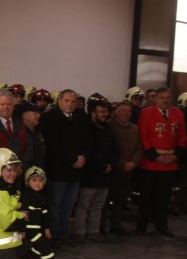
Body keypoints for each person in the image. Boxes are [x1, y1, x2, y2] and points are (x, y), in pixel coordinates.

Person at [40, 89, 90, 248]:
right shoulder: (50, 118)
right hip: (58, 170)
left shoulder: (80, 119)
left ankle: (62, 233)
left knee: (69, 205)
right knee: (55, 205)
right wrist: (73, 159)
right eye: (67, 101)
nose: (70, 104)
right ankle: (53, 234)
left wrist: (82, 158)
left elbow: (87, 141)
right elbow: (53, 143)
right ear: (59, 101)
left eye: (73, 101)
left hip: (76, 171)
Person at [136, 87, 187, 237]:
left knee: (164, 197)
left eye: (167, 97)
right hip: (150, 162)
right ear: (156, 99)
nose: (165, 100)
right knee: (146, 196)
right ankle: (141, 226)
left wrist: (176, 155)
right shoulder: (146, 113)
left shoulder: (178, 113)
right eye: (162, 97)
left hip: (171, 162)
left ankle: (162, 226)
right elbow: (143, 137)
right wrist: (155, 156)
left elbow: (183, 136)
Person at [72, 99, 117, 243]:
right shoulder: (86, 128)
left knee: (99, 204)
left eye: (106, 111)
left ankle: (94, 231)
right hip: (90, 173)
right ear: (93, 114)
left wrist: (110, 164)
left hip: (106, 174)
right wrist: (102, 166)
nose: (105, 114)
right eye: (101, 112)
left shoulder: (108, 128)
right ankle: (79, 232)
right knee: (84, 204)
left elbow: (116, 149)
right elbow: (88, 151)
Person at [19, 166, 64, 259]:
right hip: (29, 229)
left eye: (40, 180)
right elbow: (21, 214)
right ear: (27, 182)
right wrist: (22, 229)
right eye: (34, 180)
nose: (38, 183)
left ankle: (25, 258)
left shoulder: (43, 196)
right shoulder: (25, 195)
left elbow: (44, 214)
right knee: (44, 246)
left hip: (37, 228)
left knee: (40, 245)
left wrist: (46, 228)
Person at [107, 102, 142, 236]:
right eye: (123, 110)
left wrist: (134, 162)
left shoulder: (134, 128)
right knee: (106, 200)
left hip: (128, 171)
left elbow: (140, 147)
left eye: (129, 111)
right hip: (113, 170)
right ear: (116, 111)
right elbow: (112, 149)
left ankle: (116, 225)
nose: (126, 113)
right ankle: (101, 226)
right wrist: (122, 163)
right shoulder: (110, 126)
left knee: (120, 200)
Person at [0, 90, 33, 170]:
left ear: (13, 106)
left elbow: (28, 147)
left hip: (19, 173)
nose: (6, 107)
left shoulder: (20, 124)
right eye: (2, 104)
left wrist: (21, 167)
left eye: (9, 104)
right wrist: (7, 168)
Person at [20, 103, 45, 169]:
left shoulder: (38, 131)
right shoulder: (20, 133)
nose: (39, 115)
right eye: (35, 113)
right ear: (25, 115)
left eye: (39, 113)